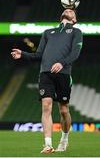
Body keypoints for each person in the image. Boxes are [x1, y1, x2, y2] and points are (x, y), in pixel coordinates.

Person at [11, 9, 83, 154]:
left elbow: (75, 53)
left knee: (63, 110)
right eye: (66, 9)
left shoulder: (76, 32)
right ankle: (48, 144)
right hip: (45, 74)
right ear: (60, 15)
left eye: (72, 11)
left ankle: (64, 139)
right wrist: (23, 54)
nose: (68, 10)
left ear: (74, 20)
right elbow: (38, 55)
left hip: (63, 74)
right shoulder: (48, 32)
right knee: (46, 106)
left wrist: (62, 63)